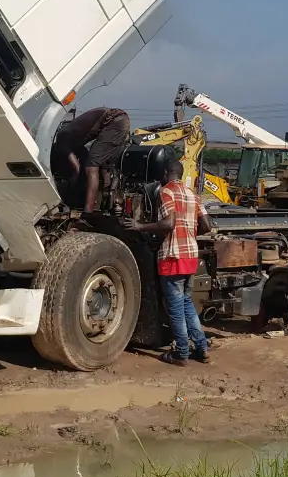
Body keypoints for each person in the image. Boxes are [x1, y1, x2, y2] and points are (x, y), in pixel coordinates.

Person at [122, 159, 213, 366]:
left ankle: (181, 353)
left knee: (175, 307)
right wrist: (189, 230)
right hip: (190, 255)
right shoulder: (193, 194)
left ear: (165, 173)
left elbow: (168, 223)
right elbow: (207, 225)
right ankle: (201, 347)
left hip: (173, 256)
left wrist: (140, 226)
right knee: (187, 303)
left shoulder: (166, 192)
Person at [51, 107, 130, 212]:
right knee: (103, 166)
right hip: (120, 120)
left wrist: (71, 186)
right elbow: (84, 156)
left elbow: (77, 169)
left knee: (91, 167)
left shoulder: (62, 141)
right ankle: (105, 202)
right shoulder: (74, 140)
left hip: (113, 122)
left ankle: (88, 211)